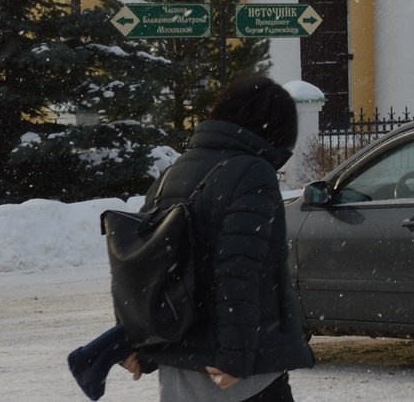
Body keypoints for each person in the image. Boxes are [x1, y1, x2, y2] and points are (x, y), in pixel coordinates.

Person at [66, 76, 315, 401]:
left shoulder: (172, 174)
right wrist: (235, 356)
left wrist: (138, 342)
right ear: (276, 129)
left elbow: (143, 271)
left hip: (179, 366)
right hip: (234, 375)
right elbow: (238, 272)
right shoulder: (253, 173)